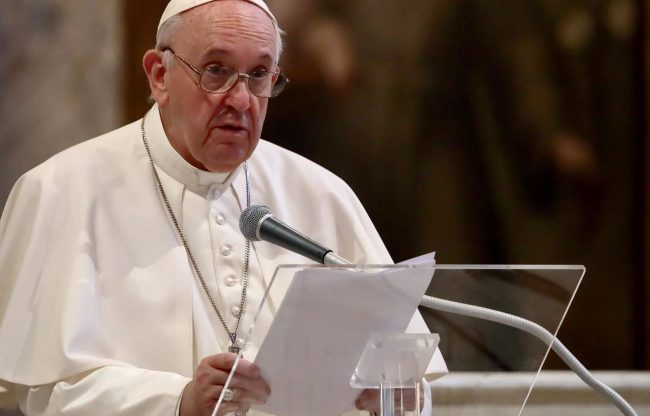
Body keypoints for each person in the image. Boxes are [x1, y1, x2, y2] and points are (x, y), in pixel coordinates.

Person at [0, 1, 446, 415]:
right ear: (159, 75)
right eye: (216, 71)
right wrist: (178, 401)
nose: (241, 99)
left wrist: (398, 397)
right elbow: (44, 391)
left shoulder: (321, 194)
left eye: (260, 75)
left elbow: (404, 374)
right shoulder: (62, 191)